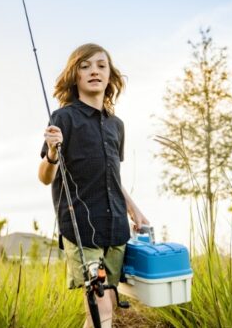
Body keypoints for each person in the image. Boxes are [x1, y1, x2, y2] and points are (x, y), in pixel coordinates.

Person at [37, 43, 149, 328]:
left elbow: (112, 177)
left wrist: (133, 210)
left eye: (101, 65)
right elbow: (45, 177)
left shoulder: (117, 126)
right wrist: (52, 153)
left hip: (116, 228)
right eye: (84, 66)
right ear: (75, 76)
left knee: (107, 304)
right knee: (100, 308)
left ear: (110, 75)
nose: (94, 71)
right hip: (81, 227)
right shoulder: (63, 118)